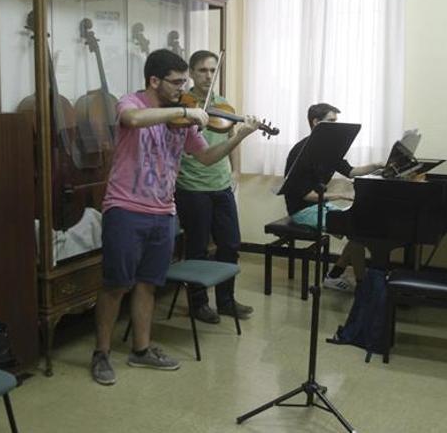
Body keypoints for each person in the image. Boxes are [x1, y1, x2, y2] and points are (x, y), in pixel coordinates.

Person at [91, 49, 259, 386]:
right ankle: (102, 353)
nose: (185, 87)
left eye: (185, 81)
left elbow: (207, 156)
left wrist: (238, 137)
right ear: (154, 80)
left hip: (163, 211)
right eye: (177, 82)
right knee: (116, 285)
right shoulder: (132, 103)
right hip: (125, 209)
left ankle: (141, 350)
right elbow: (133, 122)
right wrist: (183, 109)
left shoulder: (182, 121)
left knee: (148, 284)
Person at [174, 50, 252, 325]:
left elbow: (232, 138)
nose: (208, 75)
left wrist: (236, 171)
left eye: (211, 70)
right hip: (192, 185)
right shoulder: (183, 105)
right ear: (192, 74)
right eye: (202, 70)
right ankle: (198, 304)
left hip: (220, 184)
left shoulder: (223, 105)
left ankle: (227, 300)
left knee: (230, 243)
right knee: (197, 247)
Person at [282, 103, 380, 291]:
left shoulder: (330, 148)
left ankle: (336, 275)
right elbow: (306, 195)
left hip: (320, 206)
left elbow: (351, 172)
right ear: (316, 122)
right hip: (301, 210)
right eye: (331, 121)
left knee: (357, 229)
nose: (336, 126)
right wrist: (341, 195)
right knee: (357, 231)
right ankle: (361, 285)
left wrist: (377, 164)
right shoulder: (300, 151)